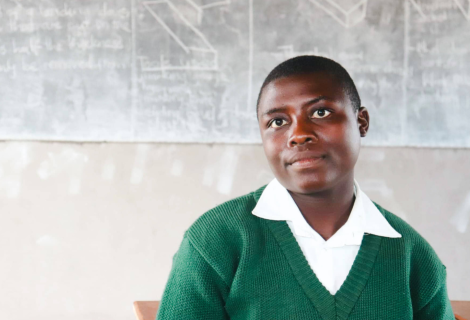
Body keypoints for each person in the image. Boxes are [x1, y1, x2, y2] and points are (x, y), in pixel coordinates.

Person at [156, 56, 454, 319]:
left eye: (320, 112)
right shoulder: (217, 239)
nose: (298, 134)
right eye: (277, 121)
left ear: (361, 121)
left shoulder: (411, 255)